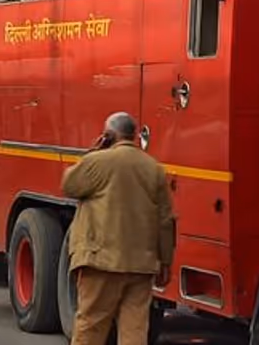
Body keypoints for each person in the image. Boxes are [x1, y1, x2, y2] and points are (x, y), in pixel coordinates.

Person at [61, 112, 175, 345]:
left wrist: (93, 151)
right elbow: (165, 220)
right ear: (133, 135)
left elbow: (69, 185)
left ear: (108, 136)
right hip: (140, 266)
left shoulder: (98, 161)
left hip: (101, 261)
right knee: (134, 331)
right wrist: (165, 262)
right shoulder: (154, 169)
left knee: (90, 327)